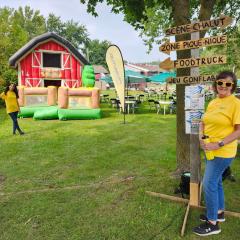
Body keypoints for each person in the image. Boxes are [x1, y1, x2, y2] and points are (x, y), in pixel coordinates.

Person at [193, 71, 240, 236]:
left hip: (223, 151)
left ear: (233, 86)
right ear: (216, 84)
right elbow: (204, 122)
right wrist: (201, 138)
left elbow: (238, 131)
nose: (223, 86)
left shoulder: (235, 103)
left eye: (228, 84)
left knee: (209, 184)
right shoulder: (213, 102)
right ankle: (219, 213)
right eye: (220, 83)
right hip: (209, 149)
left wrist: (218, 144)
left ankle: (212, 224)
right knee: (217, 181)